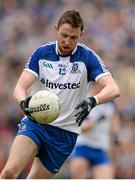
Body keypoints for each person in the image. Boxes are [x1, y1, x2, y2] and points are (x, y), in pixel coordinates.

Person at [0, 10, 120, 179]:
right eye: (64, 35)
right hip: (36, 123)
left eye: (73, 38)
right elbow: (19, 87)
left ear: (81, 34)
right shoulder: (42, 54)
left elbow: (114, 89)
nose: (67, 41)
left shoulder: (87, 58)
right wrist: (23, 102)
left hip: (64, 135)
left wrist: (93, 101)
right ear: (56, 29)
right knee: (8, 173)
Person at [68, 83, 121, 179]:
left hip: (101, 147)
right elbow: (76, 126)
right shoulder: (84, 100)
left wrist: (115, 135)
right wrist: (93, 123)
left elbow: (115, 122)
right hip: (83, 146)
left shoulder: (110, 103)